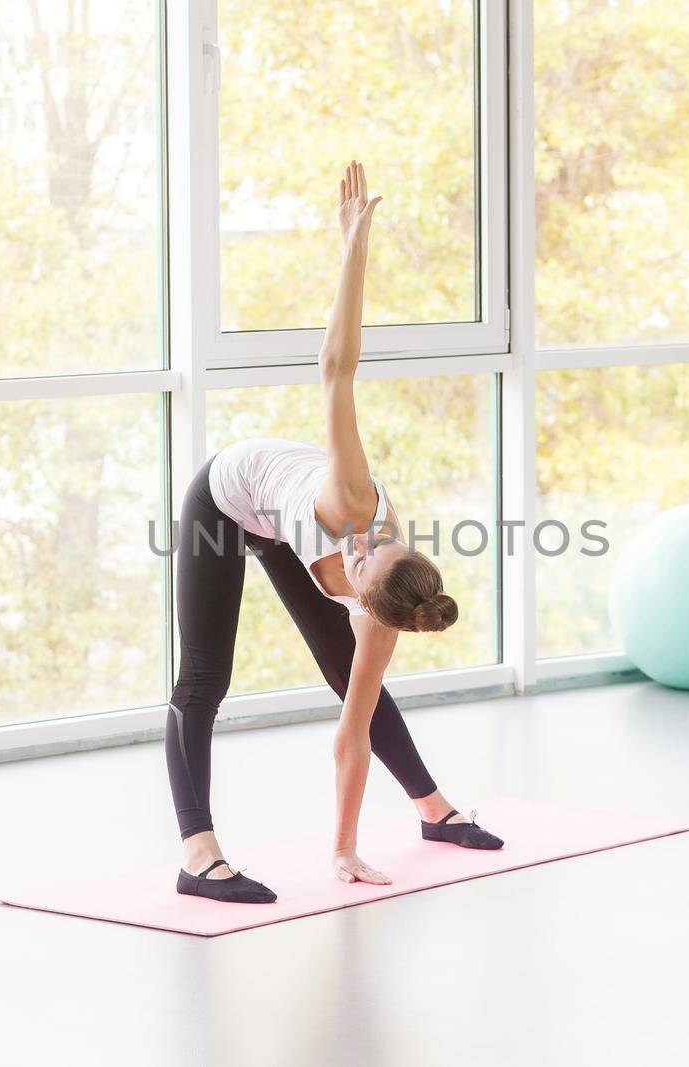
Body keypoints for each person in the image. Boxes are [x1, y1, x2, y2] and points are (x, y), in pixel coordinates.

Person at [166, 161, 504, 904]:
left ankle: (431, 811)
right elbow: (336, 366)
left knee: (348, 680)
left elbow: (348, 736)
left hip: (280, 527)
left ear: (372, 598)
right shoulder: (351, 493)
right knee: (202, 679)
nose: (360, 545)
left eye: (365, 557)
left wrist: (345, 849)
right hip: (226, 497)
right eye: (367, 544)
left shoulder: (385, 616)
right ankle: (198, 855)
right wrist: (354, 248)